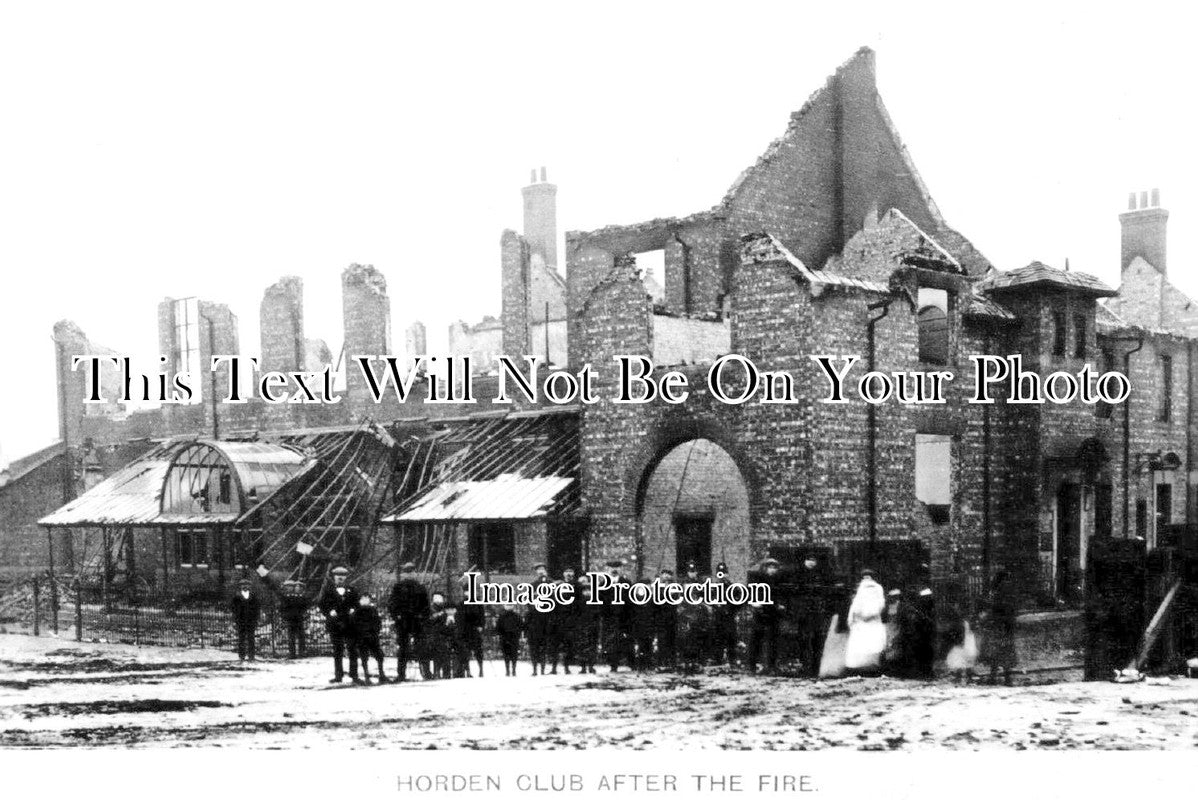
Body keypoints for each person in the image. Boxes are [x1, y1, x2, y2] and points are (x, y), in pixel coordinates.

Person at [387, 562, 431, 682]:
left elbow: (426, 605)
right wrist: (397, 616)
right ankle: (401, 674)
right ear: (403, 574)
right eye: (407, 572)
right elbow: (392, 604)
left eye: (411, 572)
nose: (409, 575)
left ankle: (426, 672)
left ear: (415, 573)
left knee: (422, 646)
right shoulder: (398, 587)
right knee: (403, 648)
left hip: (417, 621)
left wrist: (423, 617)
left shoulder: (420, 588)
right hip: (403, 621)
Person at [318, 566, 361, 684]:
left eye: (343, 576)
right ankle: (338, 675)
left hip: (349, 624)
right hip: (335, 624)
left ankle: (354, 675)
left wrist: (354, 609)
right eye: (338, 576)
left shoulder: (352, 590)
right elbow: (321, 604)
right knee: (337, 650)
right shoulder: (328, 590)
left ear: (346, 577)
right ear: (334, 577)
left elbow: (358, 604)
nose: (340, 578)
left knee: (352, 649)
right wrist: (329, 612)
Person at [845, 569, 887, 675]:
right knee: (861, 645)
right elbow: (856, 604)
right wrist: (853, 617)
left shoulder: (877, 588)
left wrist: (871, 613)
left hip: (872, 621)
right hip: (860, 621)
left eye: (868, 577)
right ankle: (859, 668)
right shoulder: (861, 589)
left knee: (873, 644)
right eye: (864, 577)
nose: (866, 580)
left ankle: (872, 667)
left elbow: (880, 603)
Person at [747, 558, 783, 674]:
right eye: (770, 567)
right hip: (760, 612)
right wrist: (754, 602)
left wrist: (780, 605)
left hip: (773, 613)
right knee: (756, 639)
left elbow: (781, 596)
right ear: (765, 568)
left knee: (773, 640)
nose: (772, 570)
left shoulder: (778, 581)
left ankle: (771, 666)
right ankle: (752, 666)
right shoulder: (758, 579)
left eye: (774, 568)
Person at [984, 569, 1019, 686]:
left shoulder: (997, 591)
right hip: (1007, 624)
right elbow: (1013, 607)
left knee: (996, 651)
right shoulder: (1010, 590)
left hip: (998, 624)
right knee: (1006, 651)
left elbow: (995, 606)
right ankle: (1007, 677)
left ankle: (993, 677)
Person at [793, 556, 826, 677]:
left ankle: (815, 668)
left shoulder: (819, 576)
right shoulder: (798, 575)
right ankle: (804, 666)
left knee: (816, 640)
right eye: (809, 560)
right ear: (804, 561)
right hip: (804, 614)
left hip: (816, 614)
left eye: (814, 560)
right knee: (804, 640)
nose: (811, 563)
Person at [598, 559, 633, 672]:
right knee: (610, 641)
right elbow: (600, 601)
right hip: (609, 618)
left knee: (624, 640)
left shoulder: (626, 583)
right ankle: (613, 664)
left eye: (617, 567)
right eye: (611, 567)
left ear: (621, 569)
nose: (614, 570)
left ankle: (630, 662)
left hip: (623, 617)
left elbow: (630, 600)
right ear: (607, 570)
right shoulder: (602, 585)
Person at [550, 567, 580, 674]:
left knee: (568, 645)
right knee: (555, 645)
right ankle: (554, 668)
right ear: (563, 574)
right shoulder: (558, 586)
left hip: (570, 620)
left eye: (571, 572)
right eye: (566, 572)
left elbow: (578, 603)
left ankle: (567, 667)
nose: (568, 574)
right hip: (558, 620)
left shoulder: (577, 586)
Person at [708, 561, 738, 666]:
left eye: (724, 573)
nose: (722, 575)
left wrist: (732, 609)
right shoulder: (714, 587)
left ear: (727, 574)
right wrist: (715, 605)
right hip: (718, 616)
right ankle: (717, 659)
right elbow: (709, 599)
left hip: (729, 616)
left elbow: (739, 600)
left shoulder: (733, 587)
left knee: (731, 638)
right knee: (718, 638)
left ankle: (732, 660)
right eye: (720, 573)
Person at [354, 593, 388, 684]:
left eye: (367, 598)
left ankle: (381, 674)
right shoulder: (357, 611)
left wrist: (375, 631)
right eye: (363, 598)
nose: (365, 600)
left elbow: (378, 622)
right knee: (364, 657)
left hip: (373, 636)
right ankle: (366, 676)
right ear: (360, 600)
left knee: (379, 656)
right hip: (362, 637)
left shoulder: (373, 610)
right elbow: (354, 624)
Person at [456, 573, 486, 677]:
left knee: (478, 651)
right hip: (465, 631)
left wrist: (481, 626)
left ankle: (481, 670)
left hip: (475, 630)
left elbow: (482, 617)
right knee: (466, 652)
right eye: (468, 591)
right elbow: (459, 619)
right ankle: (468, 671)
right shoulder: (461, 604)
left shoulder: (478, 603)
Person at [525, 563, 552, 675]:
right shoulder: (532, 585)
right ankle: (535, 668)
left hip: (548, 619)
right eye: (538, 570)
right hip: (535, 620)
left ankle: (543, 668)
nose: (541, 571)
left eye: (542, 569)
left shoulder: (552, 584)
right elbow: (528, 601)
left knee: (545, 645)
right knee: (534, 646)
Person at [426, 591, 457, 679]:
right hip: (435, 635)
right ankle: (437, 672)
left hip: (445, 634)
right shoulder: (431, 609)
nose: (438, 600)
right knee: (438, 653)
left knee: (446, 653)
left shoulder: (445, 609)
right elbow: (430, 620)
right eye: (436, 598)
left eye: (439, 598)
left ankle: (446, 673)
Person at [278, 579, 311, 659]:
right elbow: (282, 608)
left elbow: (305, 606)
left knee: (301, 636)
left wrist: (303, 614)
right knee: (291, 637)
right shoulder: (287, 597)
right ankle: (292, 653)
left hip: (299, 618)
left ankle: (301, 652)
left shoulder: (300, 597)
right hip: (291, 619)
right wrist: (285, 616)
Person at [230, 578, 261, 662]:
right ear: (240, 586)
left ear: (249, 586)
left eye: (247, 585)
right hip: (241, 620)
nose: (245, 586)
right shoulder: (236, 597)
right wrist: (236, 618)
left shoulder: (253, 596)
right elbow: (233, 608)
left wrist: (256, 618)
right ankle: (241, 655)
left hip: (251, 620)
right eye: (243, 585)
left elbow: (257, 608)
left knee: (251, 638)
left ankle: (251, 655)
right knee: (241, 639)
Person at [652, 569, 678, 670]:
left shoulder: (675, 587)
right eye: (664, 575)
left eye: (668, 575)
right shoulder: (658, 587)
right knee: (662, 641)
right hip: (661, 618)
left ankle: (672, 662)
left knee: (671, 641)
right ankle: (661, 662)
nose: (666, 577)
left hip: (672, 618)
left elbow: (675, 599)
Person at [575, 581, 599, 674]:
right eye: (585, 590)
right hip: (581, 627)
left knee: (592, 646)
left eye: (589, 590)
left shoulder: (595, 601)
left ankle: (591, 666)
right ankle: (583, 667)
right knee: (582, 647)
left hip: (593, 626)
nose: (587, 592)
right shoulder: (579, 602)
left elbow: (598, 613)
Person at [496, 603, 523, 676]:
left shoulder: (514, 616)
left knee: (510, 655)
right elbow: (498, 628)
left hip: (511, 637)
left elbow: (520, 626)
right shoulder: (503, 616)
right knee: (510, 655)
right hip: (508, 637)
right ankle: (509, 670)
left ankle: (511, 670)